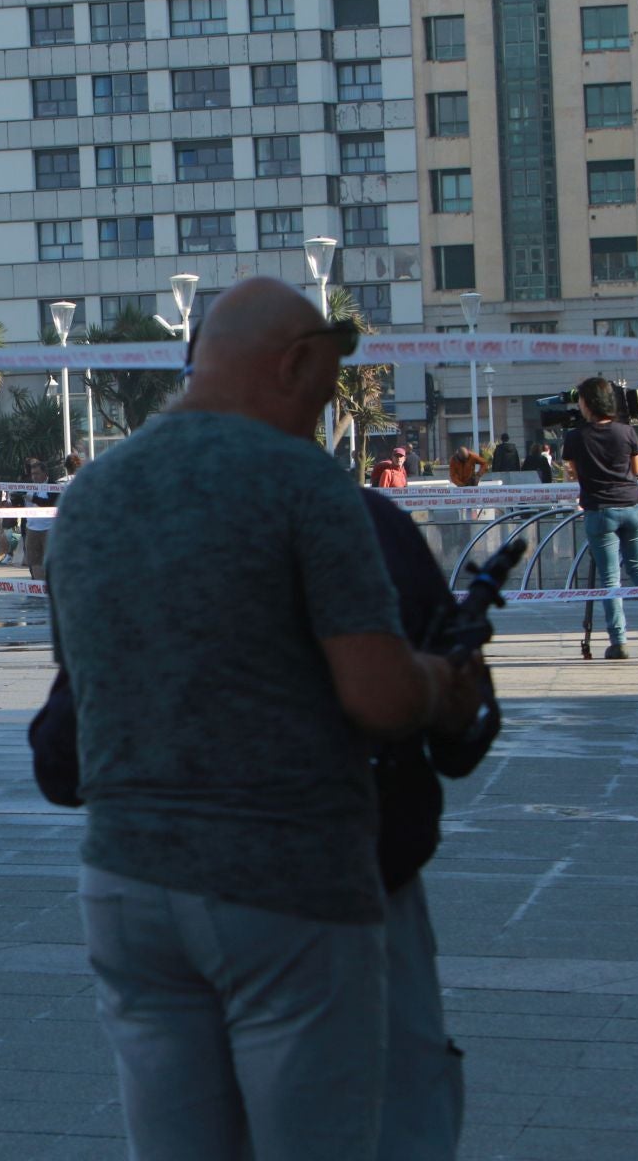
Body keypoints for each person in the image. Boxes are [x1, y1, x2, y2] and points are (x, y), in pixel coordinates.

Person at [47, 277, 482, 1161]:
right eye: (324, 387)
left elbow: (81, 701)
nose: (323, 412)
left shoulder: (92, 493)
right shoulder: (301, 483)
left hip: (128, 888)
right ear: (293, 365)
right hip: (285, 884)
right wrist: (443, 685)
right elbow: (376, 693)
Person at [361, 487, 499, 1161]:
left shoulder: (117, 508)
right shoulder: (360, 523)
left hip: (154, 889)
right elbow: (460, 737)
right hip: (349, 882)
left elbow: (61, 757)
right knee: (401, 1107)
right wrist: (443, 689)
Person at [563, 377, 638, 660]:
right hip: (633, 505)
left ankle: (619, 641)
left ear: (586, 403)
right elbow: (637, 467)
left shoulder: (575, 437)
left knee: (610, 577)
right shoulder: (626, 432)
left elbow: (573, 472)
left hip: (600, 510)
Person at [22, 460, 58, 582]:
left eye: (37, 473)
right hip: (32, 528)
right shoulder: (29, 487)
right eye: (32, 474)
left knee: (50, 560)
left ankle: (51, 587)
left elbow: (51, 504)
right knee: (34, 560)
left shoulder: (53, 486)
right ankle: (38, 586)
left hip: (49, 529)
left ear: (45, 473)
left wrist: (34, 499)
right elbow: (25, 506)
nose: (34, 476)